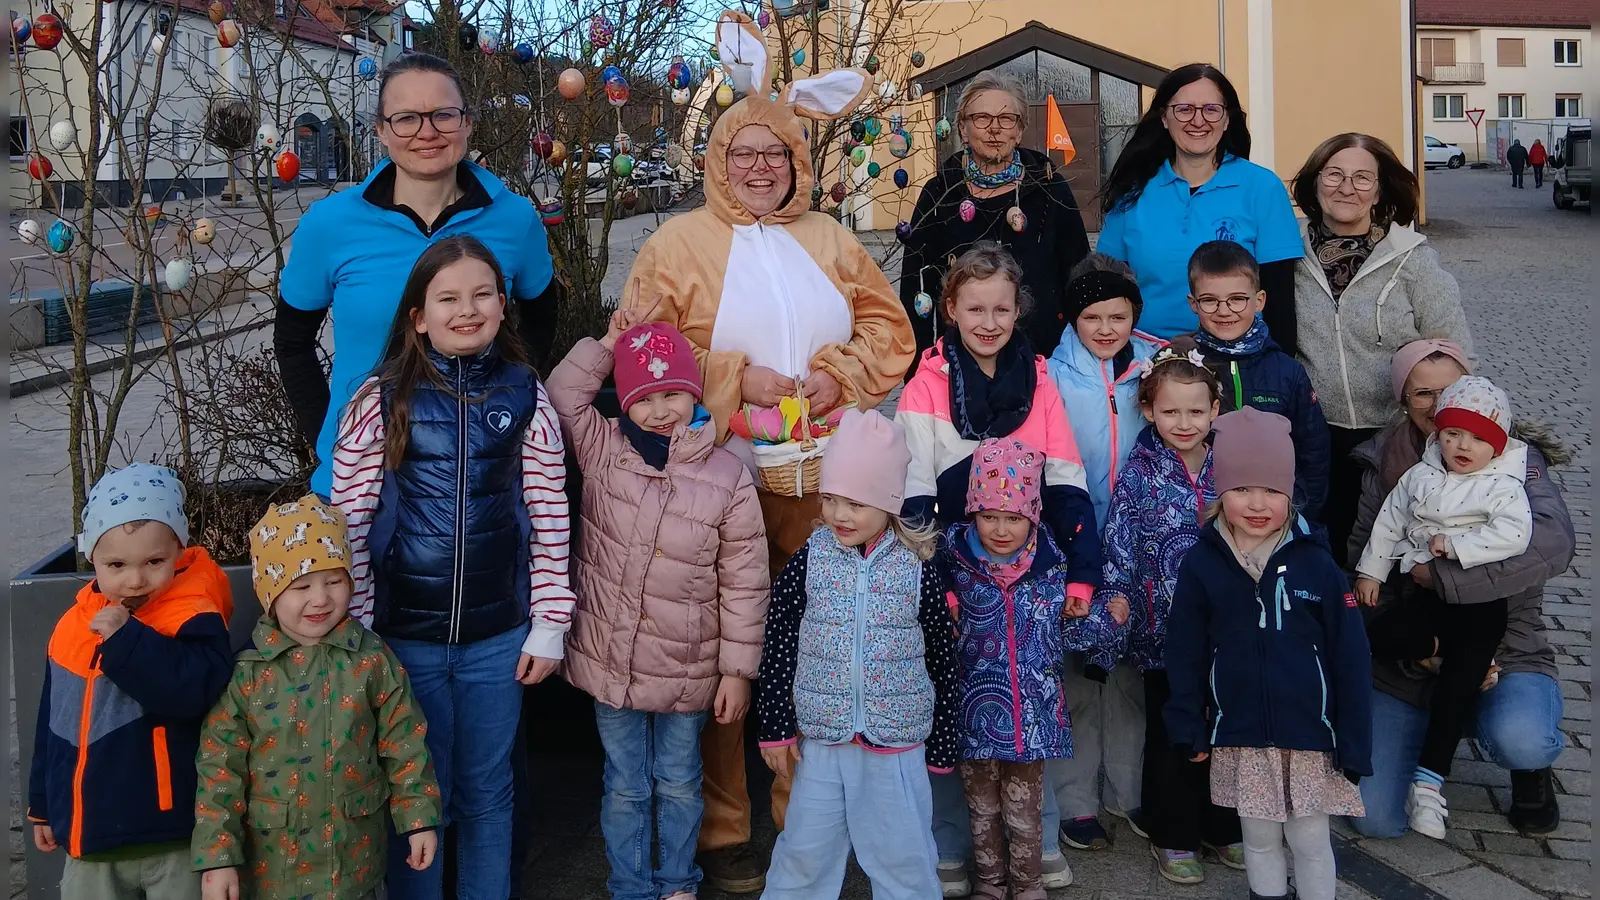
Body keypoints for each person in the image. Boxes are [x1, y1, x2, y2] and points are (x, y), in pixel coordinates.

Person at [625, 13, 916, 890]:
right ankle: (724, 827)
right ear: (718, 162)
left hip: (819, 486)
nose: (760, 168)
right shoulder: (677, 242)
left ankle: (805, 823)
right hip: (712, 485)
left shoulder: (828, 237)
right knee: (722, 651)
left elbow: (886, 325)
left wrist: (838, 375)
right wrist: (731, 380)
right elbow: (635, 347)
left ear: (796, 162)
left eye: (776, 154)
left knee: (811, 646)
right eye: (743, 153)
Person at [330, 236, 574, 900]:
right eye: (448, 298)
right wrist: (356, 629)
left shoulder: (526, 397)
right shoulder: (378, 400)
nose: (466, 310)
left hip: (498, 638)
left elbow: (548, 513)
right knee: (416, 792)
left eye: (481, 295)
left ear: (502, 305)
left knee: (489, 790)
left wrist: (550, 623)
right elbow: (348, 521)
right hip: (402, 638)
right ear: (418, 315)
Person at [546, 309, 771, 900]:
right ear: (626, 402)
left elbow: (746, 581)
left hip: (687, 669)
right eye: (646, 397)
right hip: (612, 662)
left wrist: (735, 671)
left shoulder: (725, 474)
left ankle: (677, 882)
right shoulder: (603, 450)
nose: (661, 409)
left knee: (677, 781)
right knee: (624, 784)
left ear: (694, 393)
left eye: (674, 393)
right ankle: (630, 884)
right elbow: (561, 395)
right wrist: (611, 340)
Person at [897, 242, 1097, 894]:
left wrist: (1081, 570)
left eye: (1001, 309)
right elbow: (913, 499)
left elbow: (1067, 482)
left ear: (1018, 312)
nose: (988, 321)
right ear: (950, 307)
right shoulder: (925, 386)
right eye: (974, 308)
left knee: (1030, 705)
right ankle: (956, 844)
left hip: (1028, 572)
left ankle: (1034, 846)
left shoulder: (1039, 381)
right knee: (953, 709)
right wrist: (935, 589)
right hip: (956, 573)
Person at [275, 51, 556, 501]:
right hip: (362, 481)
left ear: (467, 123)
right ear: (382, 130)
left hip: (481, 482)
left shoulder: (515, 218)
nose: (427, 132)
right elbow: (292, 342)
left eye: (444, 115)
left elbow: (541, 319)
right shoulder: (329, 224)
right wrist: (329, 438)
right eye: (406, 118)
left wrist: (513, 406)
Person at [1348, 341, 1572, 839]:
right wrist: (1413, 646)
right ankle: (1432, 711)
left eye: (1446, 390)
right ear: (1403, 401)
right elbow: (1369, 556)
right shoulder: (1386, 464)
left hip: (1502, 641)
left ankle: (1528, 764)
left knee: (1522, 737)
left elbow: (1550, 545)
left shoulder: (1513, 464)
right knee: (1375, 819)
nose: (1434, 402)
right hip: (1413, 641)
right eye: (1420, 393)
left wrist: (1443, 573)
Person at [1165, 408, 1372, 900]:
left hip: (1309, 737)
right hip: (1241, 736)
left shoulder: (1318, 566)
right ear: (1220, 494)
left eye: (1272, 492)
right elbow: (1185, 650)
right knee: (1257, 841)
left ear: (1291, 495)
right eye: (1241, 490)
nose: (1257, 504)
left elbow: (1351, 658)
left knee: (1310, 839)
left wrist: (1356, 741)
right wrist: (1187, 721)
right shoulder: (1202, 563)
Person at [753, 409, 960, 900]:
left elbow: (941, 657)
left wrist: (944, 737)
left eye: (856, 503)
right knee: (804, 853)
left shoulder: (917, 567)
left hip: (896, 747)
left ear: (887, 503)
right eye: (830, 499)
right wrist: (775, 728)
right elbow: (780, 640)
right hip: (824, 743)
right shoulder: (812, 557)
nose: (839, 515)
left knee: (904, 859)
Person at [193, 496, 441, 900]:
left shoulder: (371, 659)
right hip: (275, 871)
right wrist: (217, 860)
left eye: (334, 580)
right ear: (269, 591)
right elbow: (220, 770)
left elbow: (405, 742)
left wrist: (418, 819)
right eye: (301, 585)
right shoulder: (246, 674)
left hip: (354, 861)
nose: (321, 599)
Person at [27, 464, 233, 900]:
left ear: (178, 552)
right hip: (90, 835)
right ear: (92, 560)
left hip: (170, 834)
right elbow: (53, 721)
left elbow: (191, 692)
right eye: (116, 564)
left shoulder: (194, 616)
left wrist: (126, 640)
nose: (135, 579)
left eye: (154, 562)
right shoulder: (73, 625)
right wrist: (43, 806)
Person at [940, 439, 1122, 900]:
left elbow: (1072, 631)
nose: (1001, 529)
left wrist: (1108, 618)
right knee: (980, 811)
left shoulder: (1050, 570)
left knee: (1024, 812)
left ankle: (1026, 884)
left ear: (1033, 516)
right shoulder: (954, 565)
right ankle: (989, 883)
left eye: (1014, 518)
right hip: (973, 718)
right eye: (989, 517)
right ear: (971, 513)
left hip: (1031, 723)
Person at [1094, 338, 1242, 883]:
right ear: (1149, 409)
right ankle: (1173, 833)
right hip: (1161, 631)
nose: (1184, 422)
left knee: (1225, 723)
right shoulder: (1141, 469)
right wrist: (1118, 597)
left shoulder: (1230, 462)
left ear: (1215, 409)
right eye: (1170, 411)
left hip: (1225, 628)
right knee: (1173, 731)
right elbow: (1121, 541)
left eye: (1196, 411)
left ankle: (1222, 825)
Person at [1290, 132, 1473, 561]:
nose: (1346, 187)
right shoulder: (1286, 254)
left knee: (1389, 554)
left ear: (1379, 189)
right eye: (1334, 174)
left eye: (1361, 177)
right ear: (1316, 184)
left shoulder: (1412, 259)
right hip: (1313, 435)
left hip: (1396, 437)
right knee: (1321, 554)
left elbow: (1457, 352)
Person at [1043, 253, 1163, 856]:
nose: (1106, 327)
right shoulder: (1051, 372)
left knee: (1129, 672)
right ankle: (1074, 799)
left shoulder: (1154, 366)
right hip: (1074, 540)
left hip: (1138, 543)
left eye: (1118, 315)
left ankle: (1130, 788)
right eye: (1093, 316)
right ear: (1073, 316)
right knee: (1077, 674)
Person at [1096, 64, 1303, 353]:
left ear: (1227, 119)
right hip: (1146, 357)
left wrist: (1279, 375)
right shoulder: (1133, 190)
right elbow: (1105, 285)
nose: (1198, 120)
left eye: (1211, 109)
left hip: (1239, 359)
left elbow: (1280, 299)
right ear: (1165, 118)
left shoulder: (1262, 187)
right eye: (1184, 109)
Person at [897, 70, 1091, 371]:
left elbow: (1078, 273)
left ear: (1020, 130)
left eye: (1006, 119)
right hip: (960, 363)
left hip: (1043, 361)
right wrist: (918, 370)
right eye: (981, 118)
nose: (994, 129)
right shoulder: (940, 194)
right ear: (963, 128)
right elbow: (915, 287)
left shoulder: (1049, 189)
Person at [1189, 240, 1330, 528]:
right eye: (1210, 300)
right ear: (1193, 303)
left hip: (1274, 517)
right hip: (1202, 516)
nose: (1224, 310)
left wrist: (1299, 512)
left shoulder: (1287, 372)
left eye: (1237, 298)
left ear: (1260, 300)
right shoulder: (1184, 367)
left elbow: (1313, 451)